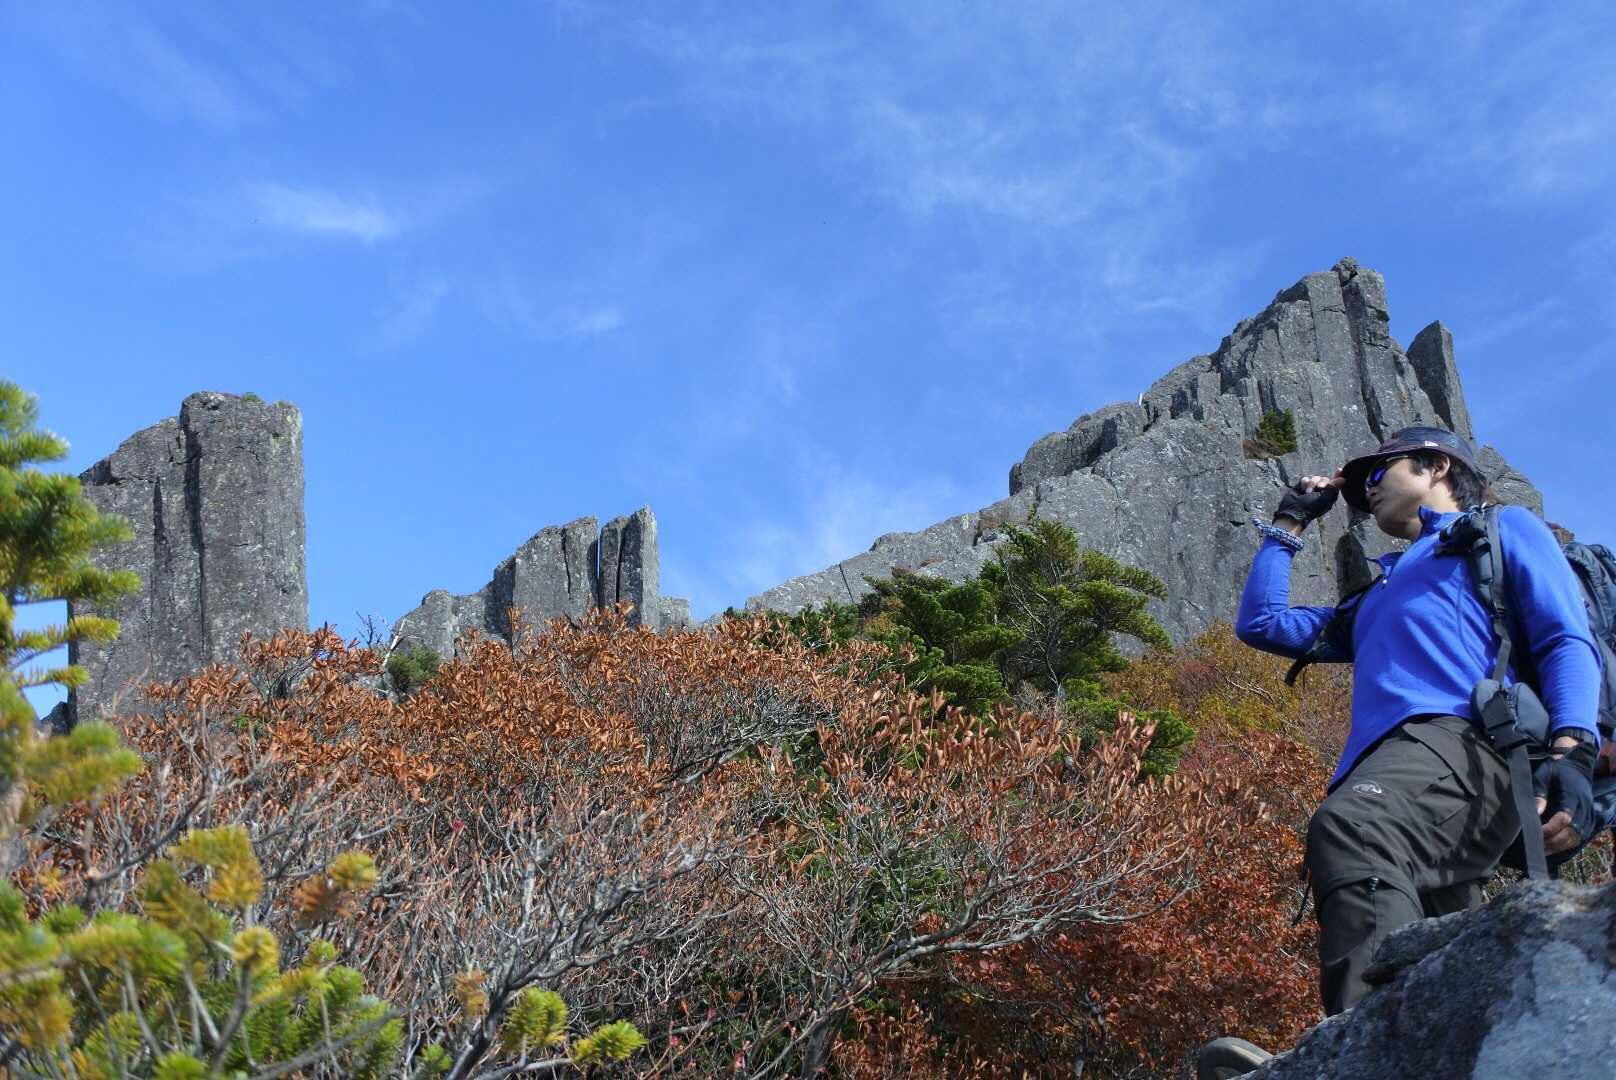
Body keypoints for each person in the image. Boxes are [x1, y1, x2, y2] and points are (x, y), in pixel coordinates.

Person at [1234, 425, 1602, 1017]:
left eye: (1380, 471)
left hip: (1465, 741)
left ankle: (1364, 1039)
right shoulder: (1376, 594)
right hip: (1401, 769)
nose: (1368, 488)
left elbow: (1564, 637)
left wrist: (1573, 749)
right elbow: (1262, 624)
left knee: (1355, 828)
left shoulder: (1499, 530)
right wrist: (1290, 523)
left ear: (1435, 465)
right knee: (1444, 949)